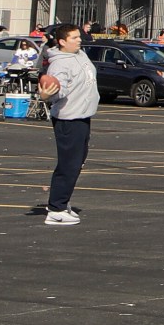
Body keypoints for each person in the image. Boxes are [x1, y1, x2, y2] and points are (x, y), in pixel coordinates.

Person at [37, 23, 97, 225]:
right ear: (62, 42)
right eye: (74, 38)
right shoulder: (59, 64)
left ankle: (62, 202)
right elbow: (57, 91)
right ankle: (56, 209)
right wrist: (46, 95)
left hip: (82, 115)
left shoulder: (80, 54)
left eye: (79, 36)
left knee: (77, 162)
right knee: (68, 164)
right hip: (68, 118)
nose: (79, 40)